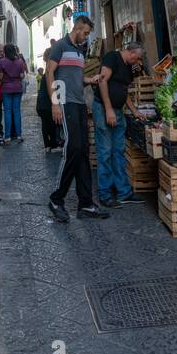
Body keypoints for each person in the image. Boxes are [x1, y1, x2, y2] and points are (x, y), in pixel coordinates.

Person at [45, 14, 109, 222]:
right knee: (72, 147)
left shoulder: (80, 52)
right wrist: (55, 102)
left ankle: (86, 204)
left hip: (80, 103)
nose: (87, 37)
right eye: (86, 33)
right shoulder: (60, 46)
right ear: (78, 28)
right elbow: (50, 73)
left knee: (83, 151)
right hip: (65, 102)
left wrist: (90, 79)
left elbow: (76, 78)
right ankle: (56, 199)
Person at [94, 43, 145, 206]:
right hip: (103, 108)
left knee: (119, 150)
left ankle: (123, 192)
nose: (137, 61)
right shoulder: (112, 58)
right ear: (130, 52)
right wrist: (108, 109)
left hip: (117, 111)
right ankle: (105, 194)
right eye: (137, 57)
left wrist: (135, 111)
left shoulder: (128, 67)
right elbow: (102, 82)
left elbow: (124, 91)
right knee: (105, 151)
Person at [0, 43, 27, 145]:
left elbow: (0, 77)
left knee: (7, 112)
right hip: (17, 88)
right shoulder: (20, 62)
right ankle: (19, 135)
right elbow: (22, 75)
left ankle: (7, 137)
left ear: (5, 51)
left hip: (6, 89)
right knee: (17, 111)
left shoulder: (2, 61)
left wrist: (6, 78)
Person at [36, 46, 62, 152]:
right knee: (52, 124)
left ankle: (47, 146)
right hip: (47, 103)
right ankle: (54, 145)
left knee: (45, 124)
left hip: (41, 103)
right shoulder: (51, 72)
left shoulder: (47, 70)